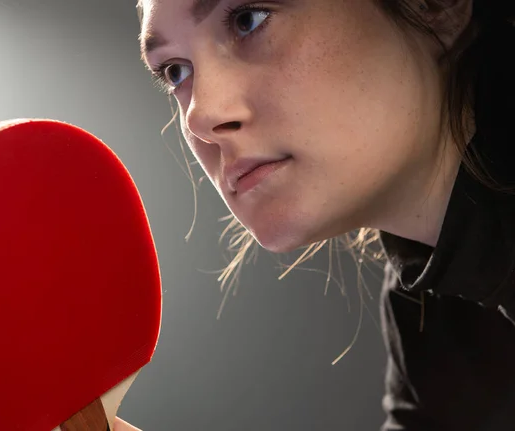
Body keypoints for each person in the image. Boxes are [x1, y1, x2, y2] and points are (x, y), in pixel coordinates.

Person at [135, 0, 515, 429]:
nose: (200, 116)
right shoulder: (432, 303)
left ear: (436, 6)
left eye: (248, 19)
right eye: (175, 72)